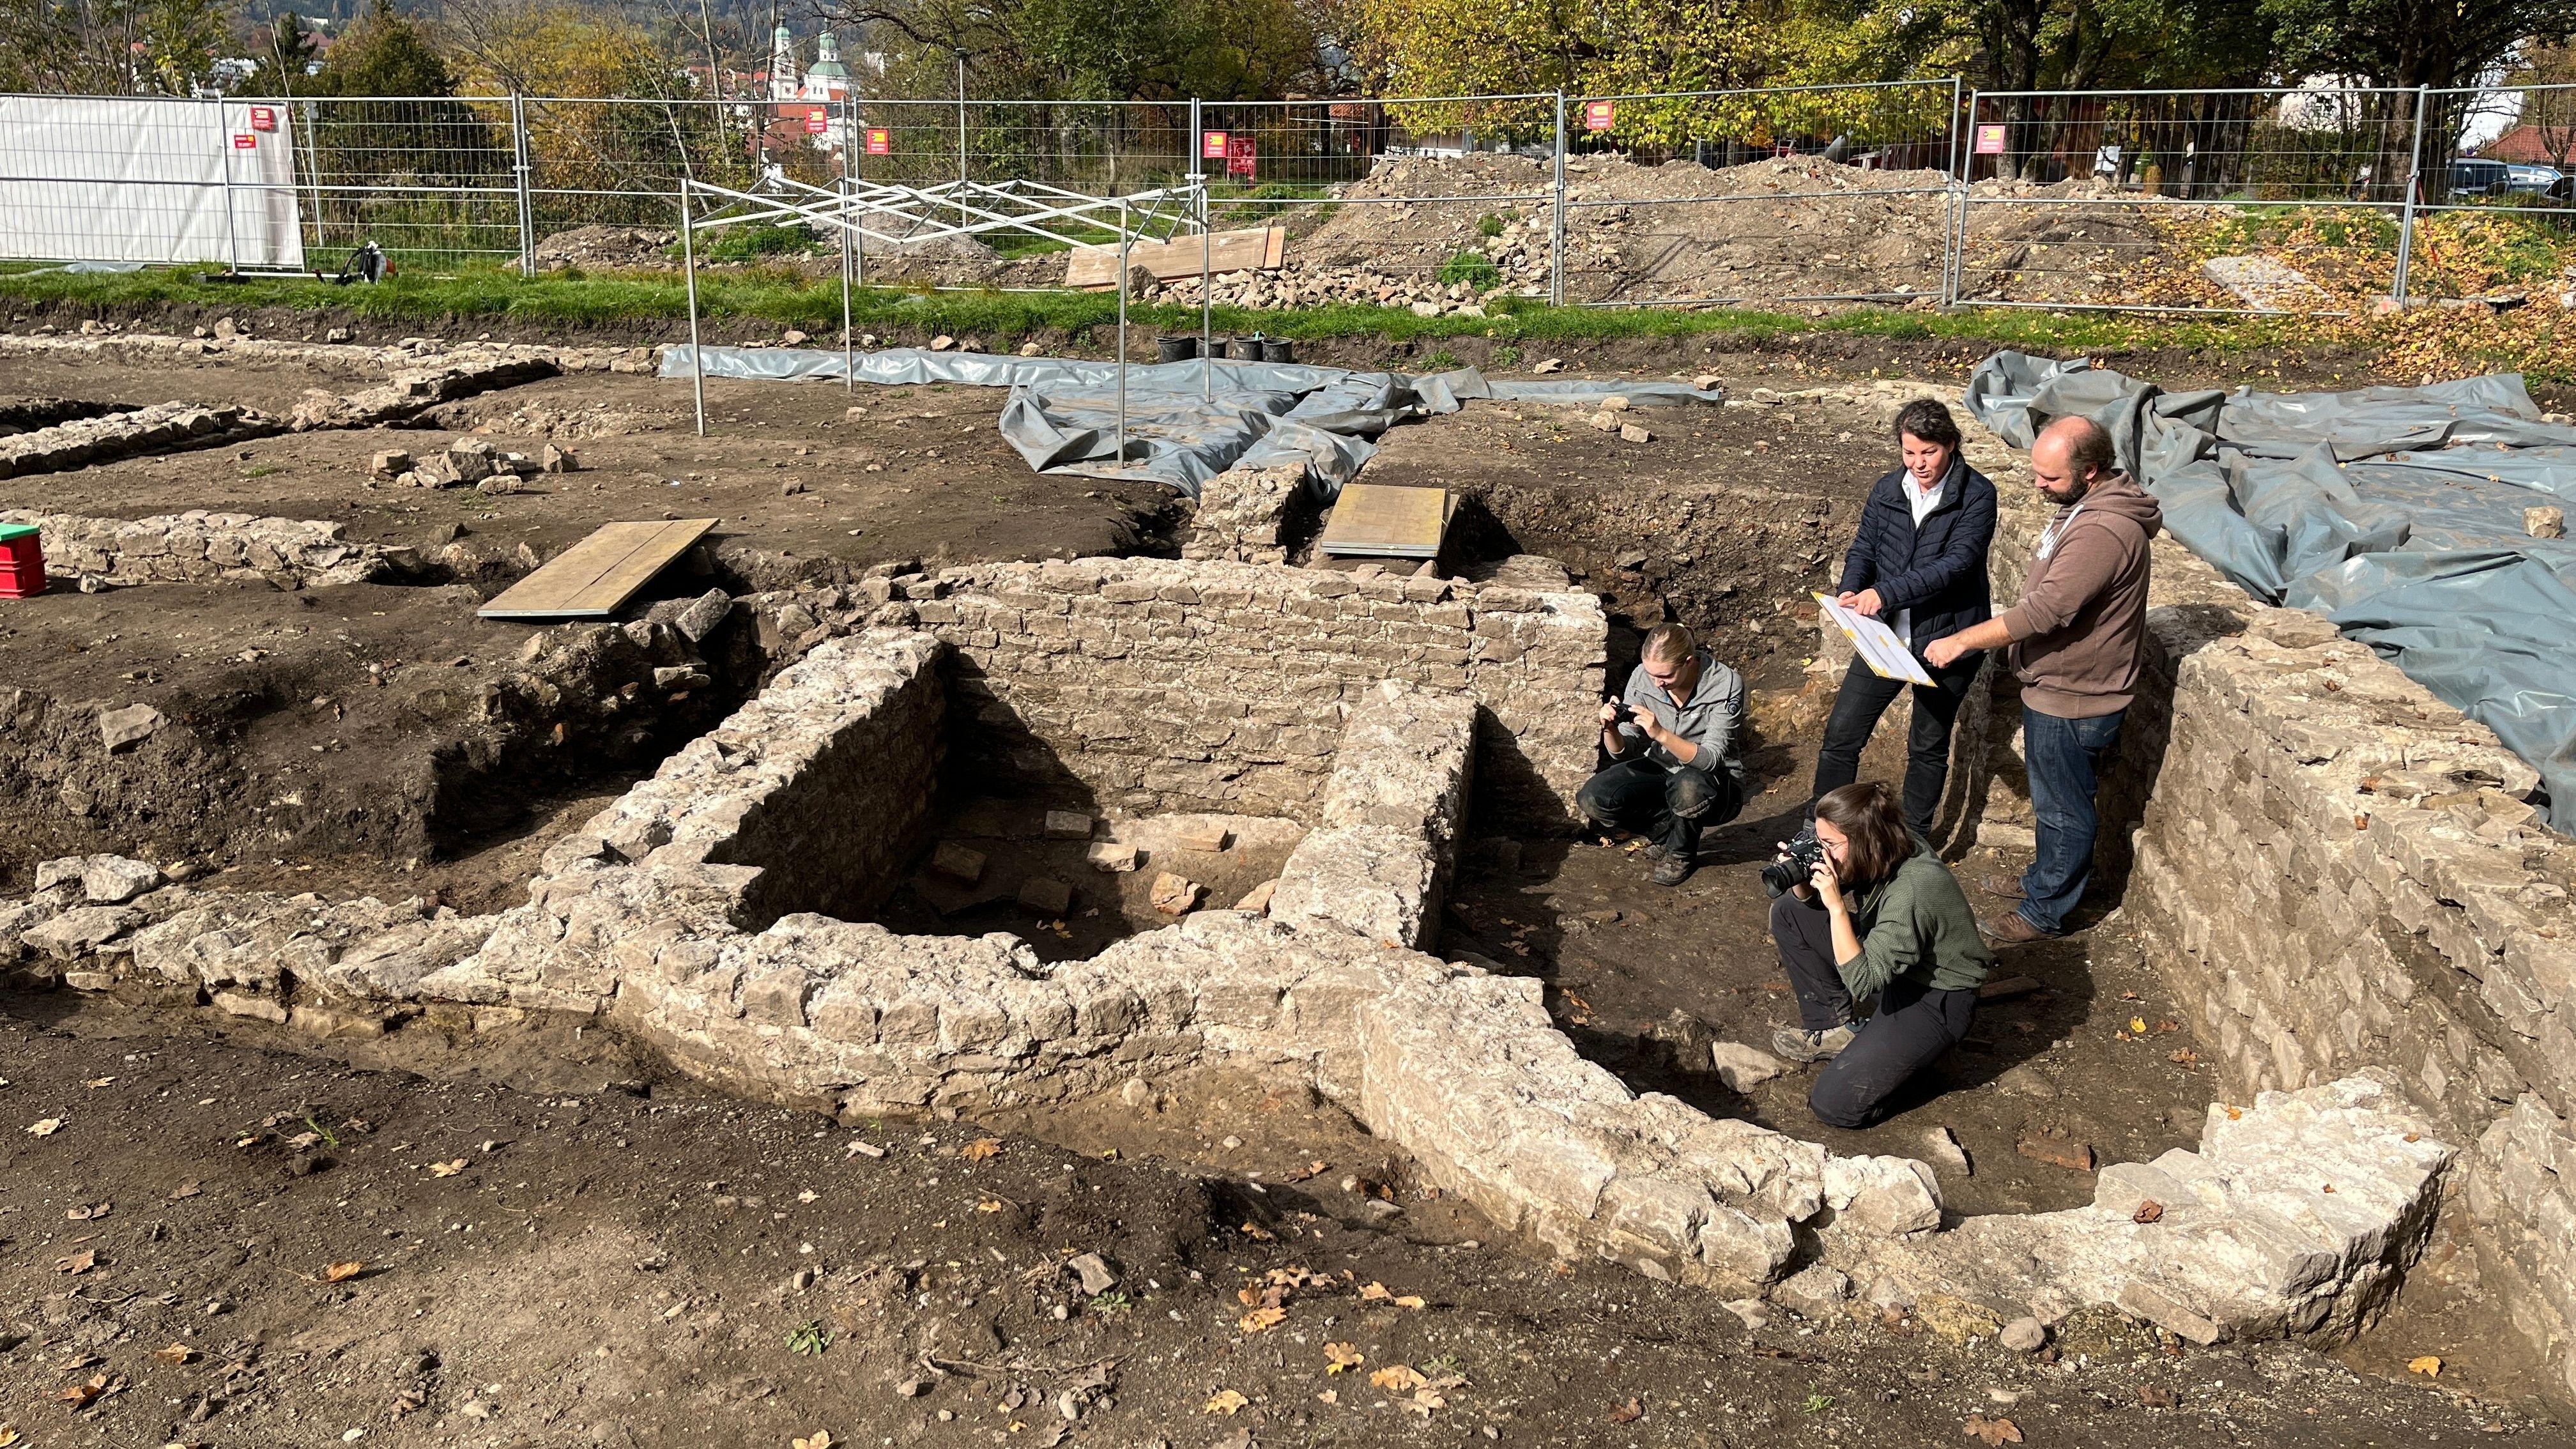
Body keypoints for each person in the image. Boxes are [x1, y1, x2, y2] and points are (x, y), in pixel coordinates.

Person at [1924, 415, 2160, 942]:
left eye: (2050, 479)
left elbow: (2046, 612)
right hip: (2060, 684)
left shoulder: (2102, 531)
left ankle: (2046, 910)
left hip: (2076, 694)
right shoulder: (2084, 508)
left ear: (2091, 471)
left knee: (2063, 808)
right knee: (2054, 797)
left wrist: (1962, 640)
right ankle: (2043, 879)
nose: (2038, 485)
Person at [1809, 398, 1997, 839]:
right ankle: (1819, 834)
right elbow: (1865, 548)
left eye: (1928, 452)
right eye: (1909, 453)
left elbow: (1956, 565)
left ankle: (1912, 845)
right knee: (1842, 733)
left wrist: (1885, 592)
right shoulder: (1887, 490)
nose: (1918, 464)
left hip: (1946, 640)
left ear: (1950, 445)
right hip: (1887, 639)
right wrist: (1852, 588)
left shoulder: (1978, 495)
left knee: (1927, 746)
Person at [1769, 781, 1995, 1128]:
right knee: (1790, 910)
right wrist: (1800, 873)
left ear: (1864, 842)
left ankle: (1923, 1067)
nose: (1822, 852)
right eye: (1819, 841)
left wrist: (1838, 909)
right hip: (1895, 963)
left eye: (1829, 844)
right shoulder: (1886, 844)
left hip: (1935, 998)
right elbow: (1811, 903)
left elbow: (1862, 980)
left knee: (1834, 1105)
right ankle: (1834, 1027)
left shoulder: (1914, 889)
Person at [1577, 624, 1747, 887]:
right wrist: (1610, 729)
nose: (1657, 684)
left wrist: (1661, 734)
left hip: (1715, 782)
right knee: (1593, 798)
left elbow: (1712, 759)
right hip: (1662, 766)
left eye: (1665, 676)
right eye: (1651, 674)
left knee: (1689, 785)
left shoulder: (1725, 684)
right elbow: (1625, 750)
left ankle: (1681, 853)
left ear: (1688, 662)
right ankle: (1667, 835)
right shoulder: (1643, 677)